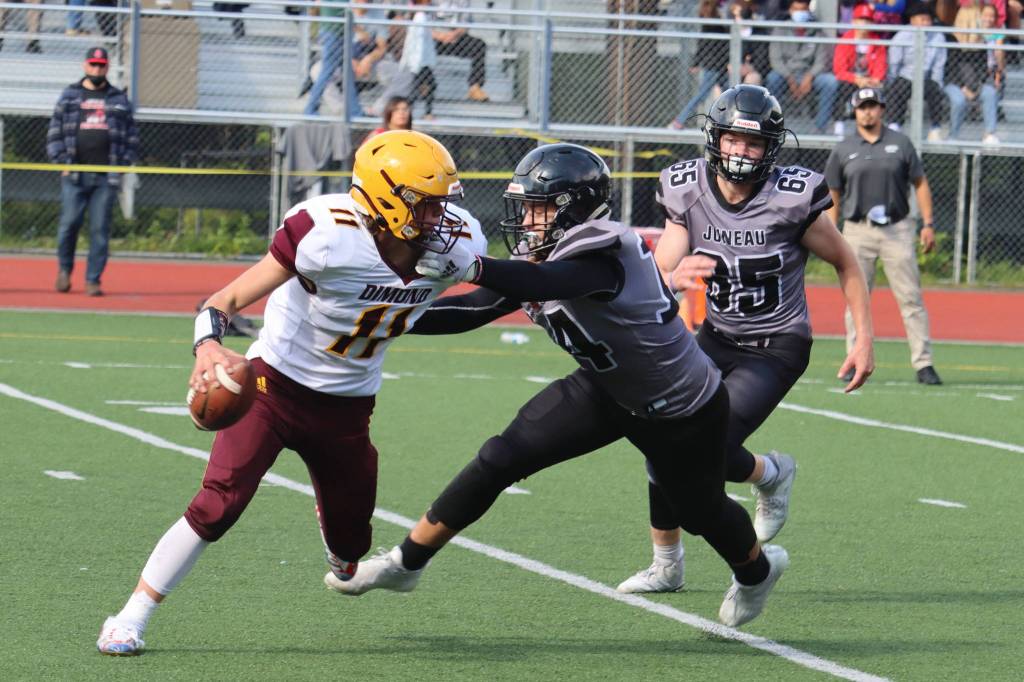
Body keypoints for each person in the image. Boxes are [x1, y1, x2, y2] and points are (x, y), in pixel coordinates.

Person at [327, 142, 791, 630]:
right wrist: (382, 319)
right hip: (607, 387)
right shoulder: (545, 253)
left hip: (680, 406)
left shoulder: (603, 251)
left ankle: (757, 572)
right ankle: (407, 563)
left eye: (538, 206)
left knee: (701, 513)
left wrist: (473, 266)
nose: (526, 219)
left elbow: (549, 281)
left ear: (572, 208)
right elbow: (474, 309)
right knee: (500, 457)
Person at [94, 130, 488, 655]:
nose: (439, 217)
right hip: (271, 386)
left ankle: (339, 545)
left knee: (352, 550)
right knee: (219, 502)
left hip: (350, 406)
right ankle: (131, 615)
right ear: (385, 198)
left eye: (442, 204)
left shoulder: (460, 243)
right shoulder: (324, 232)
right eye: (426, 204)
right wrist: (208, 346)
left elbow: (472, 306)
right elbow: (228, 297)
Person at [617, 85, 874, 594]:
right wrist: (667, 282)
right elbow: (665, 262)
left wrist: (862, 337)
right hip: (714, 335)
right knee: (661, 436)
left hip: (776, 344)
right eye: (733, 139)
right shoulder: (687, 189)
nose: (741, 151)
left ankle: (770, 474)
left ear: (771, 147)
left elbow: (847, 261)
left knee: (702, 446)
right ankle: (668, 562)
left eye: (753, 144)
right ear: (715, 138)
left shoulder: (792, 197)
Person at [825, 88, 943, 386]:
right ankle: (854, 358)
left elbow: (920, 183)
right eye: (862, 107)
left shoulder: (900, 143)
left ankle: (923, 363)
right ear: (854, 111)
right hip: (857, 230)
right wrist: (831, 232)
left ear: (882, 109)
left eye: (873, 106)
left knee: (911, 297)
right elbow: (833, 192)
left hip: (896, 229)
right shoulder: (844, 148)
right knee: (856, 299)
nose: (868, 112)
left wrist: (928, 223)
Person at [47, 47, 139, 297]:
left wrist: (122, 167)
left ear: (107, 67)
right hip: (74, 175)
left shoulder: (119, 98)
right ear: (85, 66)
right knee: (69, 225)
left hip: (106, 177)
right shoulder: (70, 95)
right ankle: (64, 270)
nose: (97, 69)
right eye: (93, 64)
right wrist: (61, 162)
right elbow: (54, 131)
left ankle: (93, 279)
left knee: (100, 229)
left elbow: (132, 137)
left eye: (101, 65)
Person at [764, 0, 841, 134]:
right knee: (772, 78)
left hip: (809, 74)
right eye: (796, 9)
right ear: (790, 11)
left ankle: (820, 129)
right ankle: (774, 125)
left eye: (803, 10)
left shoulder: (816, 31)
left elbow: (821, 61)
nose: (799, 13)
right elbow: (775, 60)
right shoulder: (780, 29)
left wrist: (810, 76)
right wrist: (789, 77)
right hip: (786, 74)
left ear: (808, 12)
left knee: (830, 82)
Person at [885, 2, 948, 140]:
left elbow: (939, 65)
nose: (926, 23)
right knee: (896, 89)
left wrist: (937, 82)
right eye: (922, 19)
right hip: (905, 76)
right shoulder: (901, 36)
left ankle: (935, 128)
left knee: (935, 90)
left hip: (926, 77)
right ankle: (894, 126)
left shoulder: (938, 36)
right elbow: (894, 62)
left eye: (928, 20)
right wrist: (892, 79)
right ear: (912, 20)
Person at [946, 2, 1004, 144]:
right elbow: (949, 70)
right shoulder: (951, 41)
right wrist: (963, 88)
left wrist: (975, 89)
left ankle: (989, 133)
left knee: (990, 93)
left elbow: (982, 72)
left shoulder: (981, 43)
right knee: (959, 100)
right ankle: (953, 135)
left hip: (974, 84)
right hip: (954, 84)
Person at [669, 0, 729, 129]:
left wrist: (696, 62)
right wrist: (696, 62)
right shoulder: (713, 18)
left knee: (729, 92)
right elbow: (705, 43)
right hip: (715, 64)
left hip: (719, 63)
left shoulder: (714, 16)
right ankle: (679, 121)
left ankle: (727, 122)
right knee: (701, 95)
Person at [832, 3, 887, 136]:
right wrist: (856, 79)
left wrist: (875, 79)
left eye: (868, 20)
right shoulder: (845, 40)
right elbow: (839, 70)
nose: (864, 23)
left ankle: (878, 126)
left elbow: (881, 66)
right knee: (841, 87)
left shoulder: (877, 42)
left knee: (881, 91)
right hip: (851, 80)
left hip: (871, 81)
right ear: (853, 21)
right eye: (861, 20)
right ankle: (839, 123)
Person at [304, 0, 364, 117]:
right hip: (333, 32)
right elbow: (349, 8)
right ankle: (311, 107)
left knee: (348, 72)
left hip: (342, 31)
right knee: (327, 71)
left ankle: (355, 110)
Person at [432, 0, 490, 102]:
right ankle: (423, 85)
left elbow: (465, 24)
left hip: (456, 38)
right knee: (419, 45)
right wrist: (439, 35)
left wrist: (454, 34)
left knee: (479, 45)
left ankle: (474, 87)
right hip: (433, 38)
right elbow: (419, 21)